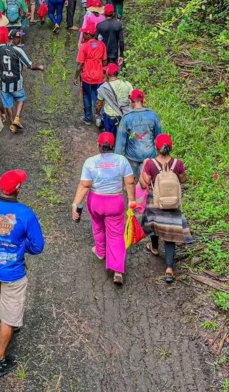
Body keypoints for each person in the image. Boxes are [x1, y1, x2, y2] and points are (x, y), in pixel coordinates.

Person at [0, 169, 45, 379]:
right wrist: (21, 247)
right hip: (12, 273)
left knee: (2, 296)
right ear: (18, 189)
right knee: (9, 316)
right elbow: (37, 246)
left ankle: (9, 319)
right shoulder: (25, 214)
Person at [71, 132, 136, 285]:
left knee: (98, 226)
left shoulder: (90, 162)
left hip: (96, 201)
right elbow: (130, 182)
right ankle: (118, 270)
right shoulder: (122, 161)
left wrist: (75, 203)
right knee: (116, 234)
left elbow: (85, 185)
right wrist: (132, 200)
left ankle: (100, 251)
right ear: (113, 146)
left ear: (98, 145)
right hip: (115, 202)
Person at [139, 134, 191, 284]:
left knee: (153, 225)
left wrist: (143, 168)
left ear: (156, 147)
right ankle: (169, 269)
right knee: (170, 236)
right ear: (171, 147)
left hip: (156, 202)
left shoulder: (150, 164)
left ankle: (154, 247)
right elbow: (183, 180)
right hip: (172, 204)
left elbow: (144, 185)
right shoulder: (178, 163)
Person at [0, 29, 46, 133]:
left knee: (7, 103)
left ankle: (12, 121)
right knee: (21, 98)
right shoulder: (18, 50)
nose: (20, 39)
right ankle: (17, 118)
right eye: (18, 37)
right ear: (14, 39)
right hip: (16, 82)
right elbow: (30, 65)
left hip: (4, 81)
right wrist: (40, 67)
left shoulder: (0, 48)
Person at [114, 89, 163, 176]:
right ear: (143, 100)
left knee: (131, 181)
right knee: (146, 181)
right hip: (149, 155)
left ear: (130, 101)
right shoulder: (153, 115)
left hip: (132, 157)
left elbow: (120, 142)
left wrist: (117, 161)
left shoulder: (126, 118)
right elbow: (159, 137)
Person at [73, 25, 107, 125]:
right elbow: (105, 62)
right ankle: (99, 117)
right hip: (99, 77)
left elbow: (79, 65)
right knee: (98, 97)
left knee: (87, 97)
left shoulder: (84, 46)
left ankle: (88, 118)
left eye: (84, 33)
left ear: (88, 34)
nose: (83, 35)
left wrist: (75, 77)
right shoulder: (102, 45)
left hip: (87, 77)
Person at [96, 63, 132, 135]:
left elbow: (99, 104)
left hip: (110, 116)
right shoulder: (127, 84)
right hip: (124, 115)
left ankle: (110, 144)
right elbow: (131, 99)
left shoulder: (103, 87)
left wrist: (97, 113)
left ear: (107, 73)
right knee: (123, 135)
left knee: (110, 136)